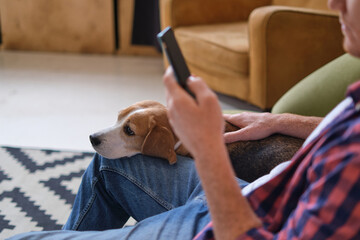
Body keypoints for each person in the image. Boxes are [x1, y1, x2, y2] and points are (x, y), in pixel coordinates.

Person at [9, 0, 360, 239]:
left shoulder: (351, 161)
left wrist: (207, 149)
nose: (333, 4)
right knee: (108, 164)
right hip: (258, 190)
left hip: (237, 218)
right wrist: (280, 120)